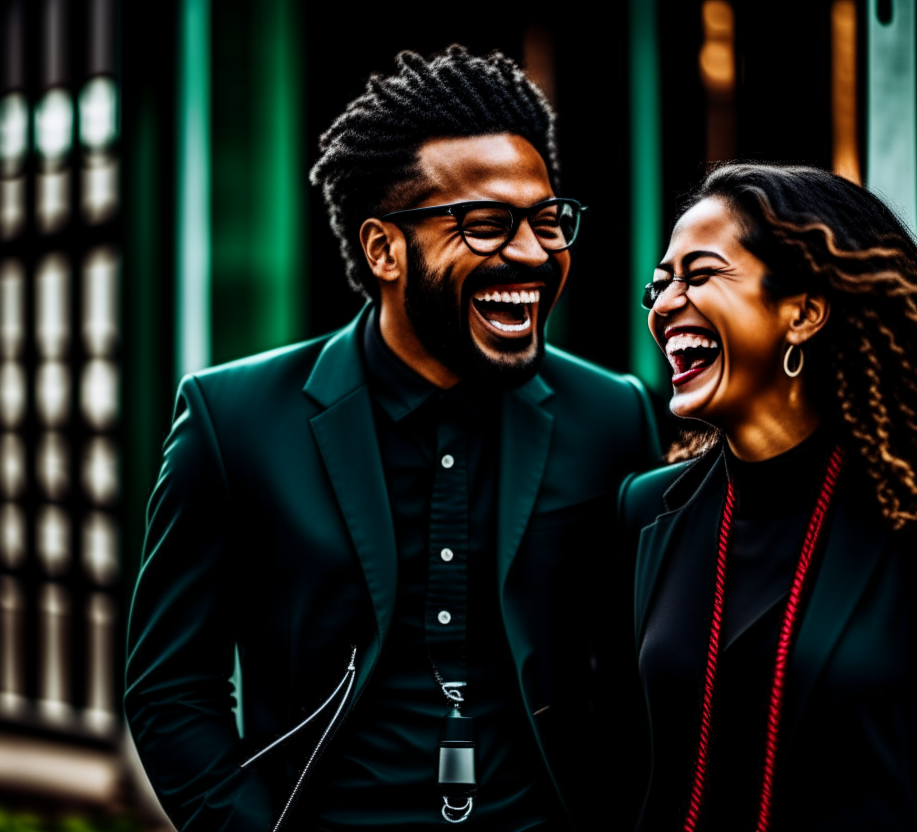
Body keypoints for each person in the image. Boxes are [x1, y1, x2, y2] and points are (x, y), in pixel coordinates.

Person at [125, 46, 660, 832]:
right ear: (383, 250)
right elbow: (170, 686)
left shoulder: (612, 415)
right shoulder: (230, 419)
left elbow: (641, 675)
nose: (535, 253)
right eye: (486, 225)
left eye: (548, 222)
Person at [620, 163, 917, 831]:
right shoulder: (647, 511)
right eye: (661, 282)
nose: (665, 302)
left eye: (700, 274)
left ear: (804, 312)